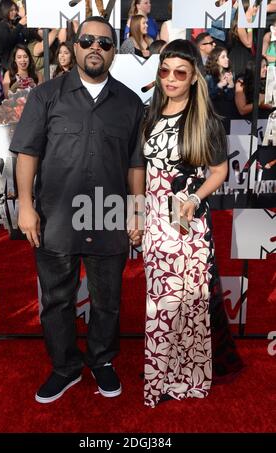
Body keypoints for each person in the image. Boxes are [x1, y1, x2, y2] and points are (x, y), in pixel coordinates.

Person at [9, 16, 145, 404]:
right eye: (88, 40)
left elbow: (136, 164)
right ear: (75, 45)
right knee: (56, 299)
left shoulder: (131, 103)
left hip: (111, 215)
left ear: (114, 51)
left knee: (108, 300)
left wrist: (136, 211)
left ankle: (102, 361)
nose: (96, 48)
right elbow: (27, 154)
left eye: (105, 43)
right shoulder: (45, 95)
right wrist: (25, 206)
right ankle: (65, 367)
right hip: (56, 216)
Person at [142, 39, 229, 408]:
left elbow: (220, 171)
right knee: (156, 305)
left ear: (194, 77)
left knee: (186, 307)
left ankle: (184, 378)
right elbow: (142, 168)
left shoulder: (203, 120)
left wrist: (194, 199)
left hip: (185, 223)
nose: (171, 79)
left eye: (180, 72)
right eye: (165, 71)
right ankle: (158, 378)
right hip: (152, 221)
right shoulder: (151, 114)